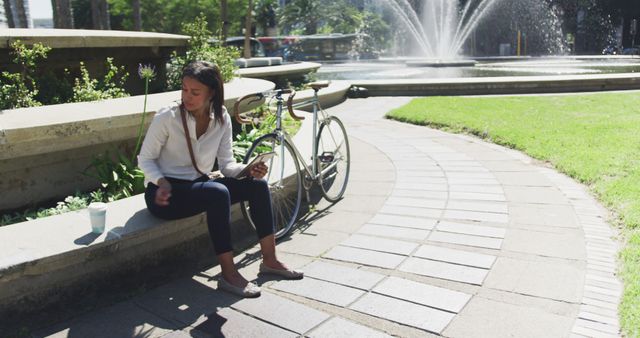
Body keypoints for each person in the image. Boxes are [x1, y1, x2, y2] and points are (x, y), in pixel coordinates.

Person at [138, 60, 303, 298]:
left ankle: (270, 260)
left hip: (199, 187)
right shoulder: (168, 117)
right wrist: (161, 182)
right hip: (165, 193)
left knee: (257, 186)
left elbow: (227, 166)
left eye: (195, 92)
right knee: (218, 192)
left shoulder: (222, 117)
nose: (187, 96)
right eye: (184, 89)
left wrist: (248, 170)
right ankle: (229, 274)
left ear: (212, 92)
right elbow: (145, 159)